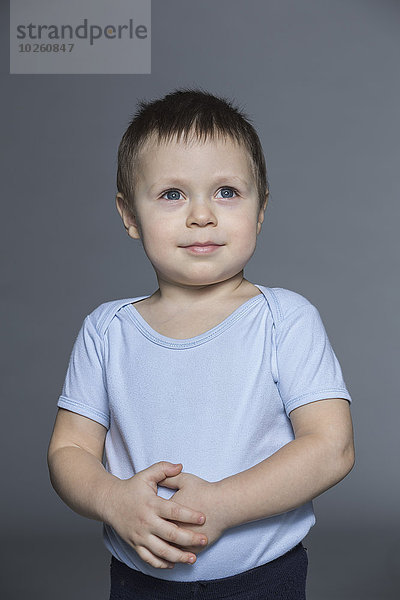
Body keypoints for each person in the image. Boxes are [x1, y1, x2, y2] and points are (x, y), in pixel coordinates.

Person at [47, 87, 355, 600]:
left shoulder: (284, 320)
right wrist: (113, 499)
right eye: (173, 194)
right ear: (129, 215)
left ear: (261, 210)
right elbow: (68, 449)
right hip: (139, 578)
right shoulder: (107, 330)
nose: (202, 215)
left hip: (263, 579)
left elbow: (332, 447)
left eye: (227, 192)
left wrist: (223, 504)